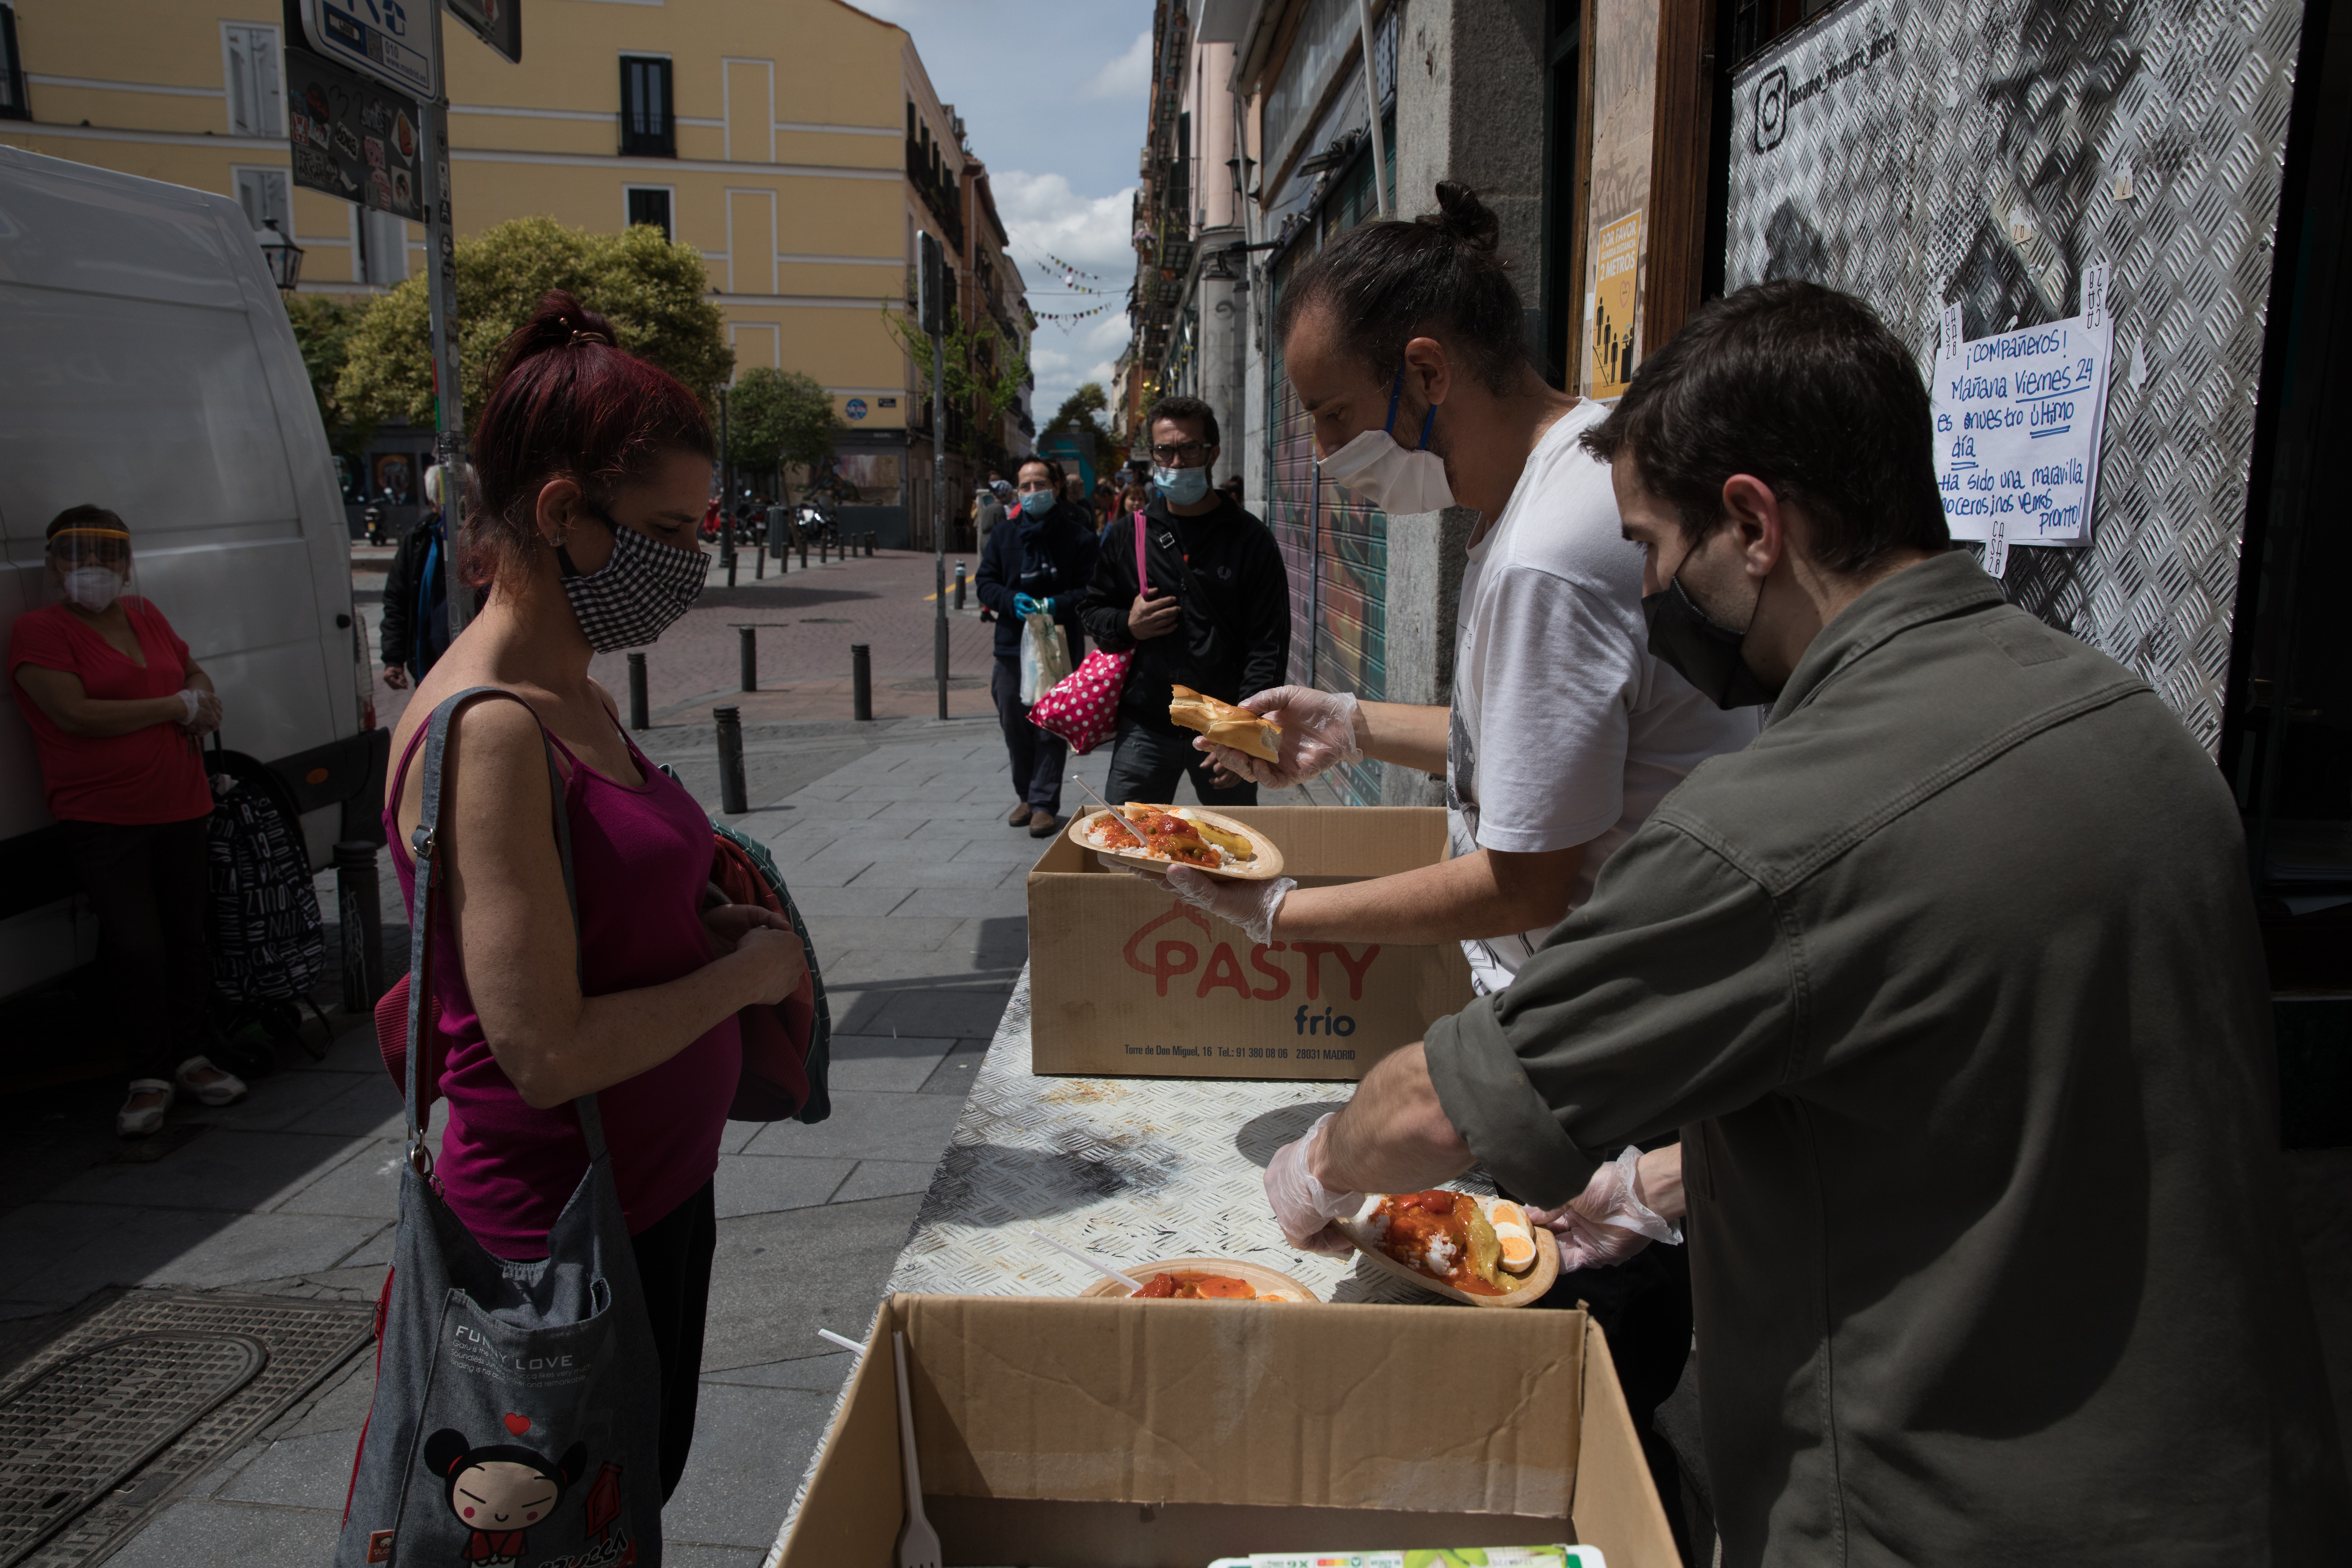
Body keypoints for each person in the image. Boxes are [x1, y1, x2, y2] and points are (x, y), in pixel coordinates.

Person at [1260, 280, 2351, 1562]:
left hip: (1941, 1517)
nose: (1656, 599)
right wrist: (1653, 1184)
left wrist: (1317, 1166)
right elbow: (1966, 1085)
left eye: (1657, 554)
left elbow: (1435, 1111)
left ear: (1751, 523)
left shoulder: (1773, 827)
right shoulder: (2128, 725)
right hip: (2240, 1498)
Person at [384, 291, 806, 1501]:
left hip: (650, 1195)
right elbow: (542, 1050)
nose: (695, 557)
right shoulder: (493, 731)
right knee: (569, 1526)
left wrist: (696, 924)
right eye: (671, 529)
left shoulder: (575, 689)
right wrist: (740, 979)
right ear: (564, 515)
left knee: (632, 1502)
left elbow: (601, 913)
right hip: (553, 1243)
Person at [1190, 182, 1758, 995]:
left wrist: (1275, 911)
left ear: (1427, 372)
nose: (1322, 452)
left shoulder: (1548, 551)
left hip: (1601, 1011)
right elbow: (1551, 741)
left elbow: (1523, 886)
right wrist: (1349, 725)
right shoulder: (1561, 476)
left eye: (1336, 414)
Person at [8, 505, 247, 1136]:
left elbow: (190, 668)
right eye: (77, 556)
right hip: (103, 814)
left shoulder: (145, 616)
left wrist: (196, 693)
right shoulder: (40, 632)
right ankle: (149, 1073)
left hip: (180, 802)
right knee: (136, 944)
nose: (93, 568)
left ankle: (192, 1055)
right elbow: (75, 715)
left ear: (127, 565)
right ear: (56, 566)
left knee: (187, 937)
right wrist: (176, 705)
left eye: (108, 556)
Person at [1078, 396, 1289, 806]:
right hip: (1146, 727)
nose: (1176, 462)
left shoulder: (1249, 539)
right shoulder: (1129, 535)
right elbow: (1092, 611)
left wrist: (1244, 737)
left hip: (1223, 728)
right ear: (1153, 453)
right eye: (1164, 450)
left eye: (1189, 448)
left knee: (1235, 853)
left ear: (1213, 453)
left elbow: (1268, 646)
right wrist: (1129, 624)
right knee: (1129, 847)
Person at [976, 455, 1099, 835]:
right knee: (1014, 723)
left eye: (1040, 484)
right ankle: (1026, 795)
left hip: (1058, 647)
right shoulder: (1004, 535)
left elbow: (1090, 590)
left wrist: (1055, 604)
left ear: (1057, 487)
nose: (1032, 492)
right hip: (1012, 645)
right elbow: (986, 582)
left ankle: (1044, 802)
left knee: (1050, 725)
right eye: (1025, 486)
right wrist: (1008, 600)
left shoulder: (1078, 537)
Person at [379, 494, 450, 690]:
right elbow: (396, 603)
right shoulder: (418, 541)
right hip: (430, 671)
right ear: (432, 503)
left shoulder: (486, 539)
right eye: (446, 494)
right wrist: (394, 659)